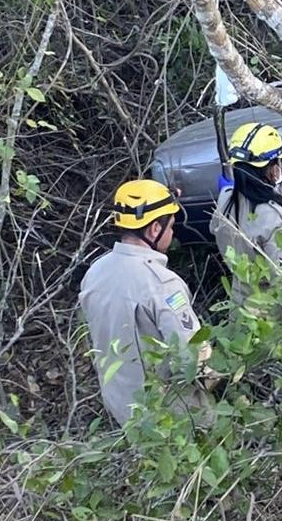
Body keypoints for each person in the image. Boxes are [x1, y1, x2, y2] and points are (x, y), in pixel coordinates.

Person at [79, 178, 214, 426]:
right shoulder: (161, 284)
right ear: (154, 229)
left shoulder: (95, 273)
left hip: (124, 410)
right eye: (170, 226)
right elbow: (192, 357)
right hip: (172, 416)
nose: (172, 233)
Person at [210, 121, 282, 310]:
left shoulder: (225, 200)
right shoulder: (277, 220)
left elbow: (214, 227)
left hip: (240, 307)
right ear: (274, 168)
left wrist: (227, 190)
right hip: (274, 319)